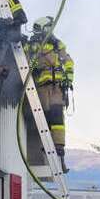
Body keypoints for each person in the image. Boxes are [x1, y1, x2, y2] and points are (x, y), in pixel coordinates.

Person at [25, 17, 74, 170]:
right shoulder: (31, 46)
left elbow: (69, 62)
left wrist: (68, 79)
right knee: (44, 121)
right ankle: (46, 152)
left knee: (57, 119)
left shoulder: (57, 44)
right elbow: (26, 62)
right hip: (40, 89)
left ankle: (60, 156)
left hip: (57, 88)